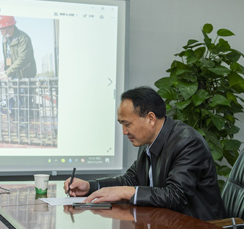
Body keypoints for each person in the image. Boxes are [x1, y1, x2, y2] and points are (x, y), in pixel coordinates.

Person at [65, 86, 226, 221]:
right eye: (121, 124)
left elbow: (176, 196)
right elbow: (130, 179)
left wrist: (125, 192)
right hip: (166, 226)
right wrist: (90, 186)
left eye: (127, 124)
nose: (124, 131)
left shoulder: (188, 143)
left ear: (150, 118)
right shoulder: (148, 142)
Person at [0, 15, 36, 126]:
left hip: (25, 74)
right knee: (18, 97)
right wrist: (7, 69)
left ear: (11, 27)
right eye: (0, 29)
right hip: (15, 74)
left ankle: (26, 121)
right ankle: (21, 118)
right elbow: (7, 56)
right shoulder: (5, 39)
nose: (1, 31)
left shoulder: (23, 38)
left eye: (3, 28)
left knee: (25, 98)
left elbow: (22, 59)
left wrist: (8, 72)